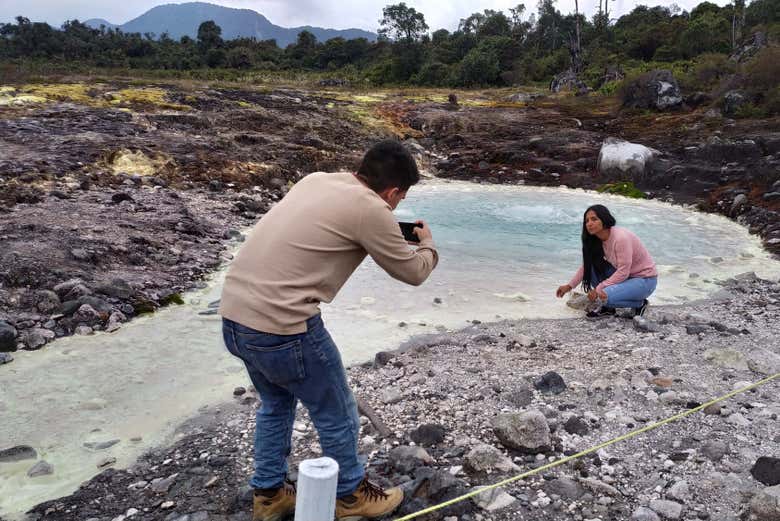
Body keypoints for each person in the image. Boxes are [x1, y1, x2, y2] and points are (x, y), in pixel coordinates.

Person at [219, 140, 438, 521]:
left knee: (276, 404)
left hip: (236, 318)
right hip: (284, 328)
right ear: (393, 192)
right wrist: (429, 245)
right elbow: (414, 272)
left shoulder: (317, 180)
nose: (396, 204)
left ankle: (269, 495)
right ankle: (351, 495)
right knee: (337, 412)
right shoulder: (372, 208)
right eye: (400, 198)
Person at [556, 204, 658, 318]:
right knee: (593, 268)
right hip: (627, 278)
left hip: (644, 280)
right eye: (587, 221)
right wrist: (569, 286)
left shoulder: (620, 238)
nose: (589, 223)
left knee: (602, 296)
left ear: (604, 220)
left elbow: (623, 272)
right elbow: (586, 267)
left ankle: (640, 304)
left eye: (594, 219)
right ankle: (609, 309)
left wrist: (599, 289)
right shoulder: (597, 240)